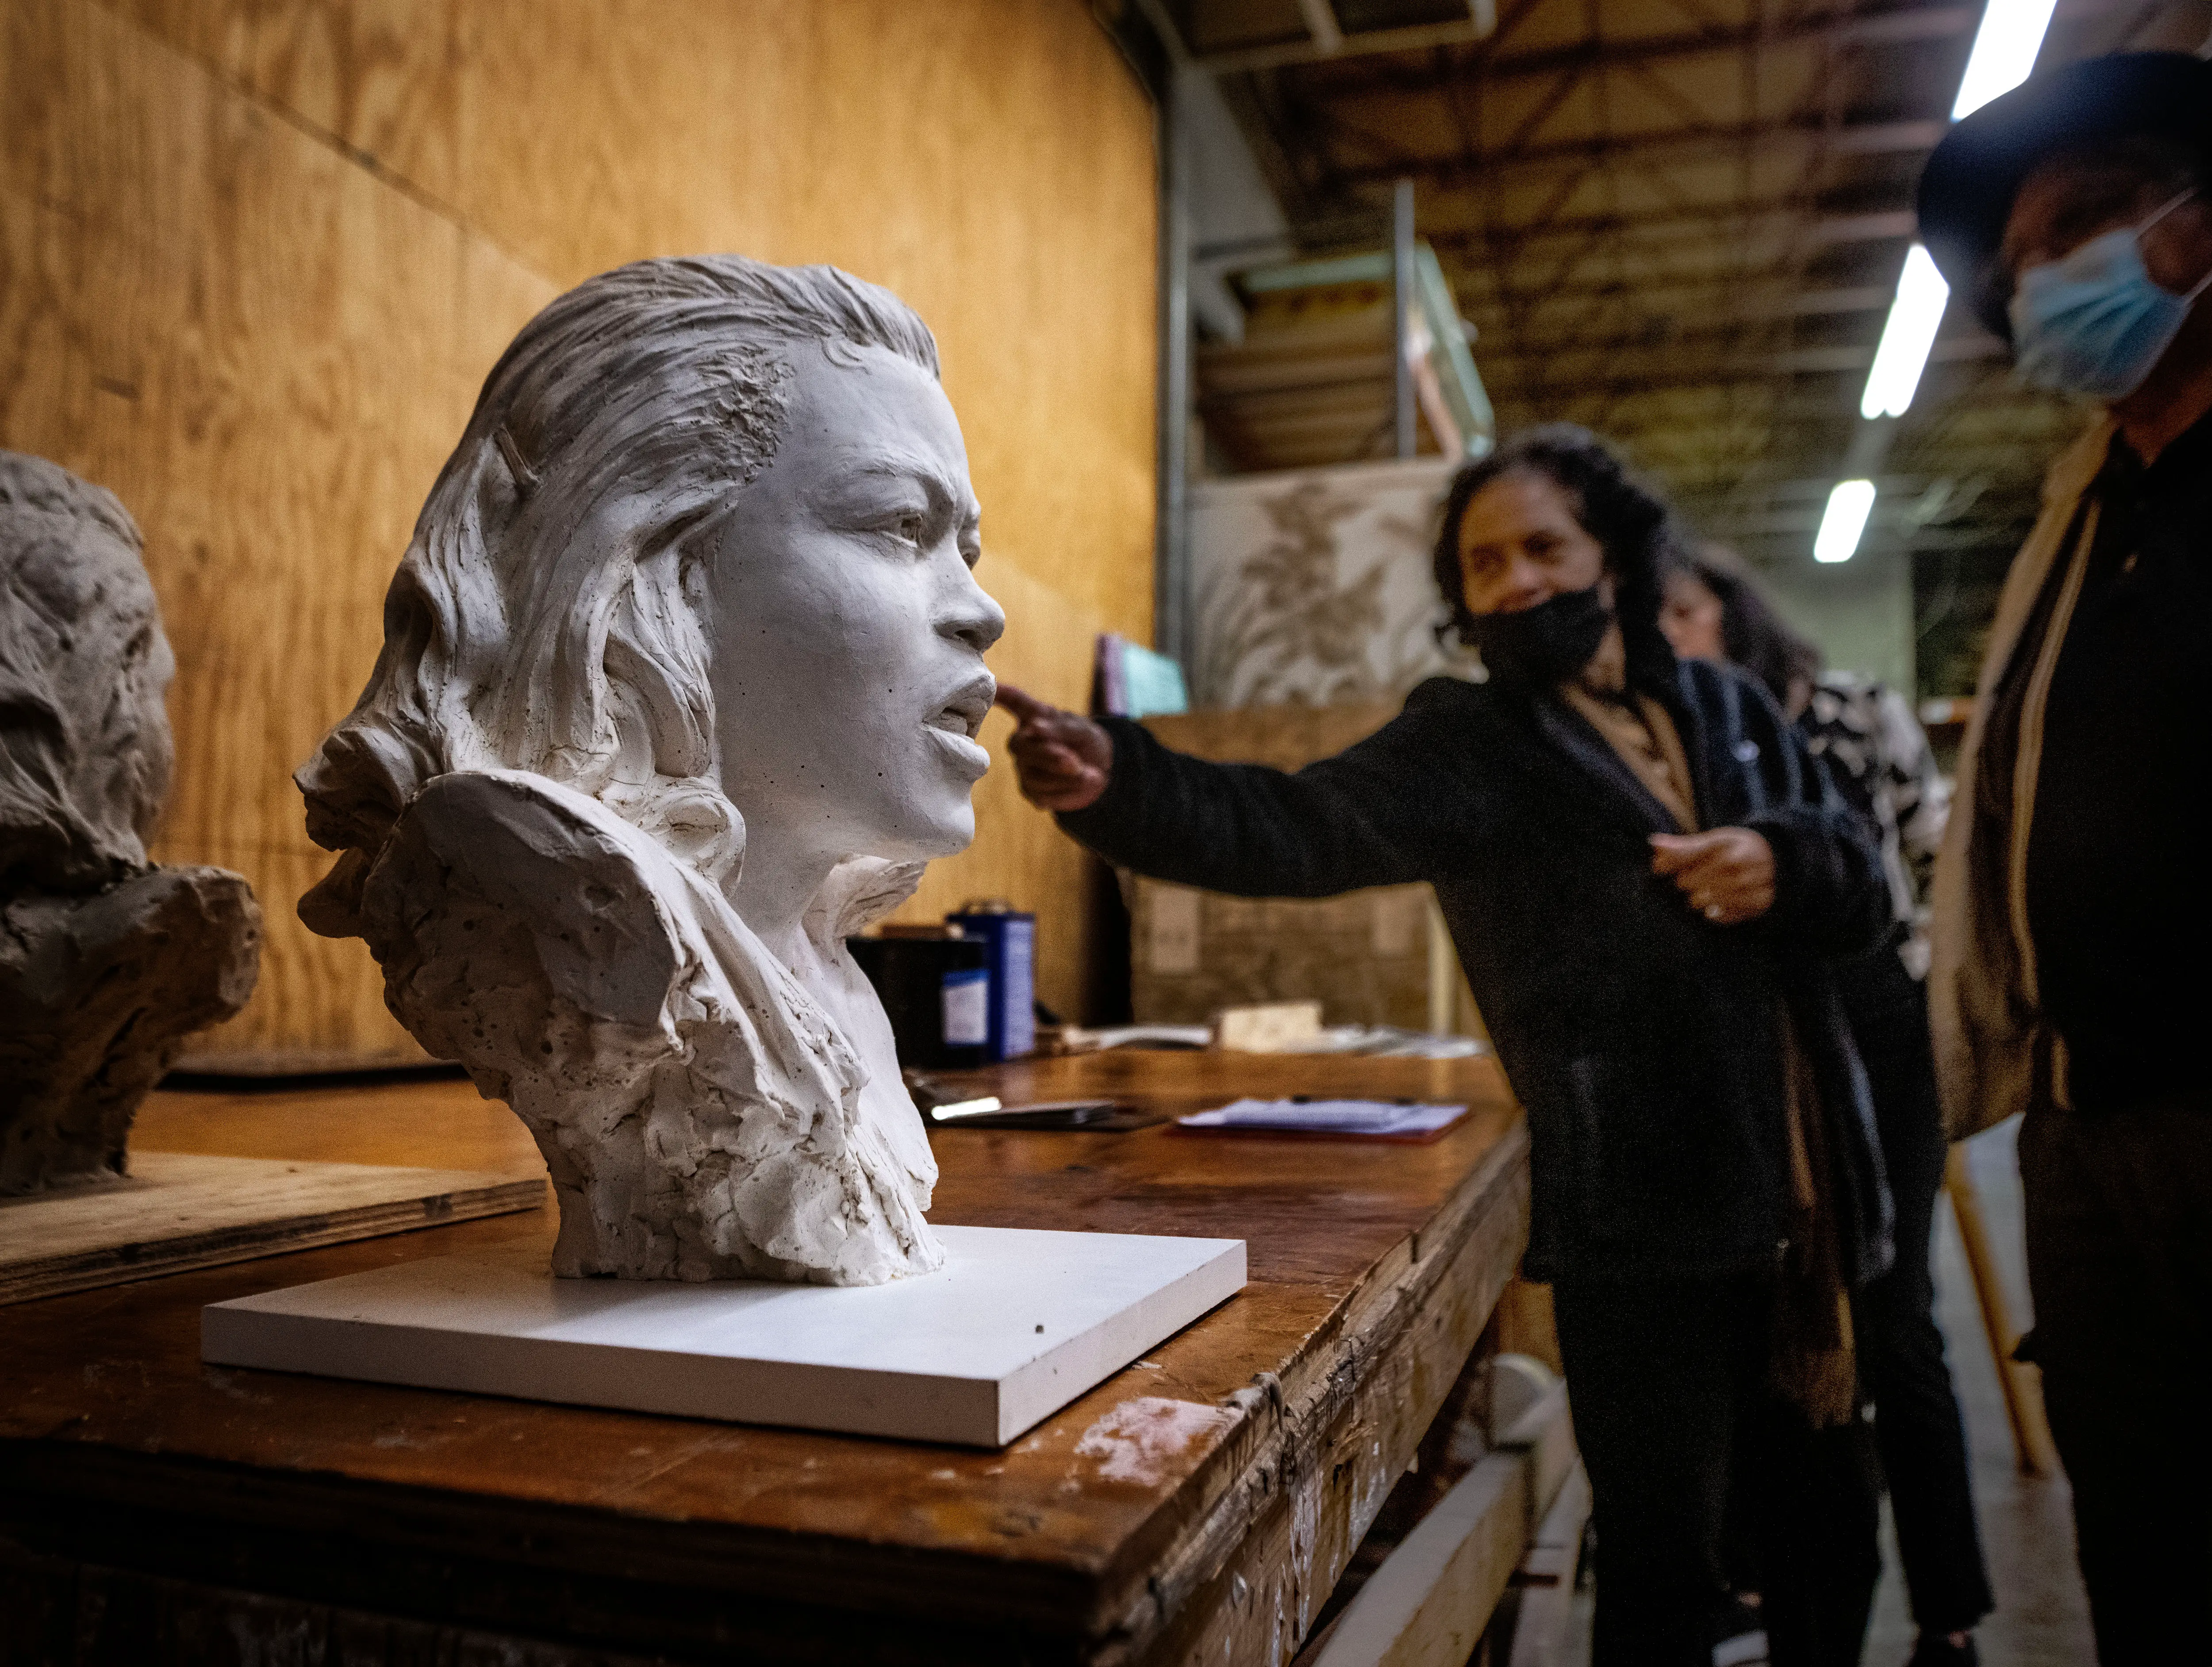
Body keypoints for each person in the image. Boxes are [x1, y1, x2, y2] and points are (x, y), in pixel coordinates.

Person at [998, 425, 1893, 1667]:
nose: (1519, 581)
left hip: (1816, 1201)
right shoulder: (1475, 745)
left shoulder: (1731, 708)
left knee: (1829, 1527)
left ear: (1615, 556)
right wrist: (1121, 781)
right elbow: (1292, 823)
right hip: (1642, 1217)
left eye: (1545, 547)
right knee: (1663, 1562)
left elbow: (1864, 878)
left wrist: (1784, 861)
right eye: (1485, 565)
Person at [1916, 51, 2212, 1661]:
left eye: (2085, 223)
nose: (2045, 280)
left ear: (2195, 221)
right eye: (2021, 263)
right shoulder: (2082, 520)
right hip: (2089, 1125)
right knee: (2145, 1549)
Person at [1664, 544, 1993, 1667]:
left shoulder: (1847, 709)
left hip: (1882, 1035)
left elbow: (1934, 858)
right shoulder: (1681, 742)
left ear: (1732, 610)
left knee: (1895, 1324)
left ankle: (1949, 1613)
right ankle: (1764, 1590)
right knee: (1779, 1338)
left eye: (1688, 610)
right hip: (1768, 1050)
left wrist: (1949, 1021)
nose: (1672, 636)